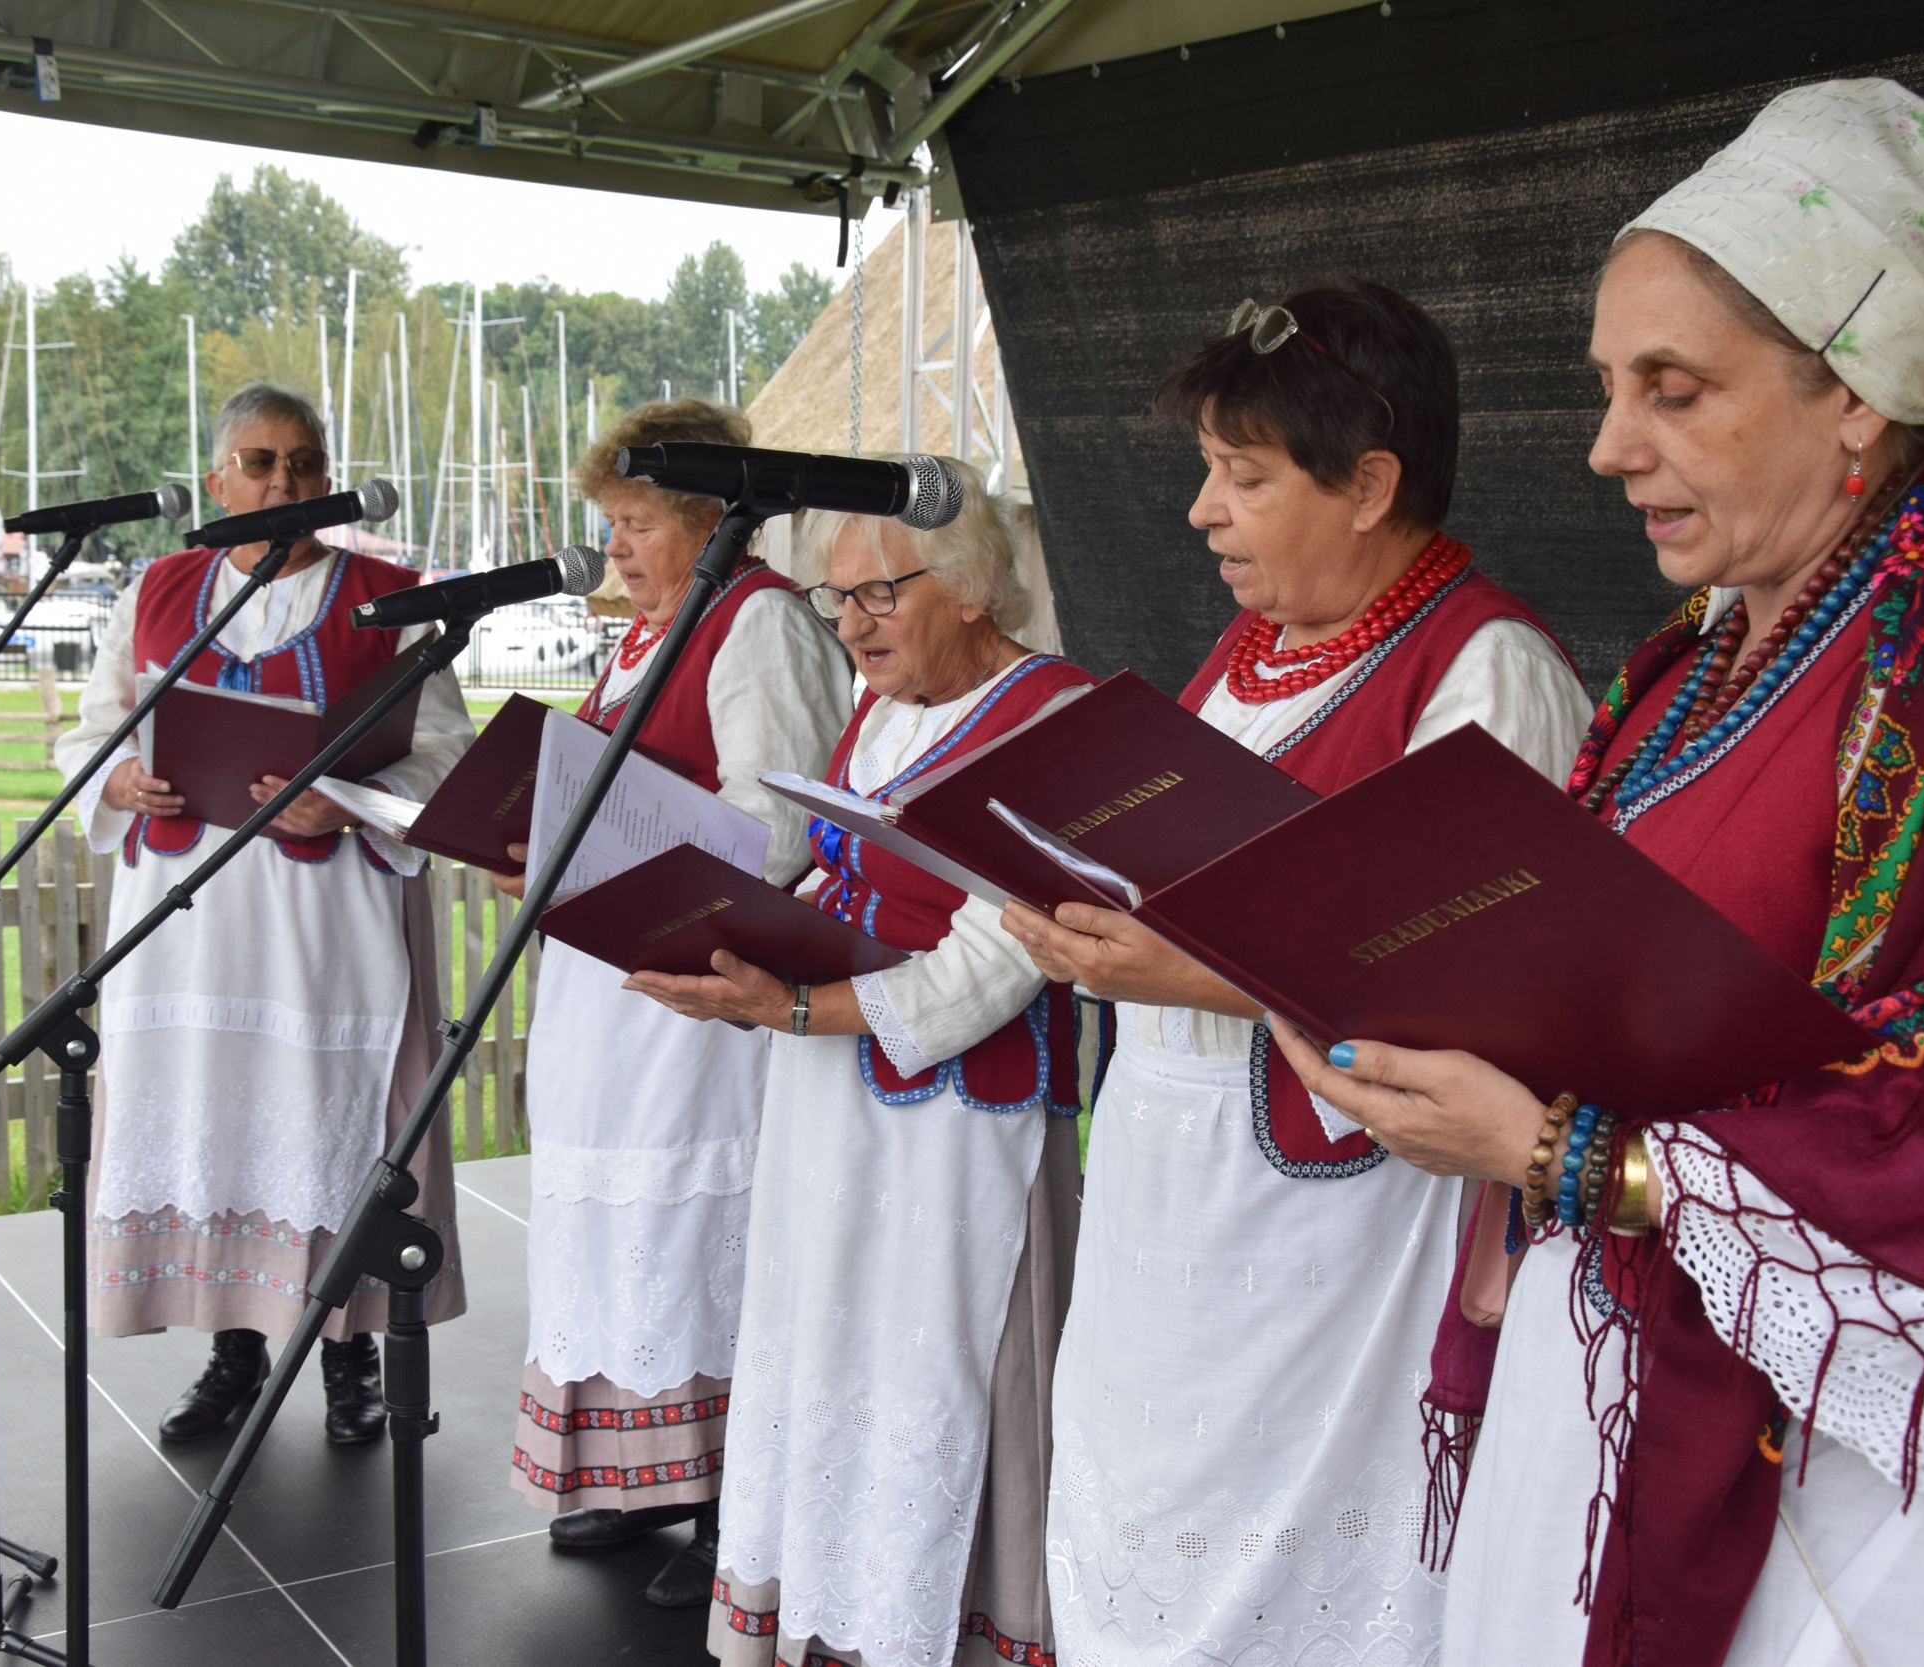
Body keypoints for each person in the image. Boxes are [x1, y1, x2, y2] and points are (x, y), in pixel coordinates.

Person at [1263, 81, 1924, 1667]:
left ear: (1861, 395)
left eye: (1673, 389)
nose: (1614, 447)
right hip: (1619, 1369)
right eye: (1613, 387)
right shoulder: (1697, 656)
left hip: (1855, 1499)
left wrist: (1568, 1151)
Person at [1001, 280, 1592, 1666]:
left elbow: (1470, 995)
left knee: (1304, 1554)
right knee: (1145, 1502)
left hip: (1341, 1235)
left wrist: (1188, 968)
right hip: (1171, 1194)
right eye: (1211, 470)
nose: (1204, 511)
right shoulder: (1249, 652)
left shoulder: (1486, 669)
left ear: (1371, 483)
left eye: (1243, 476)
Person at [625, 469, 1090, 1667]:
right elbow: (826, 868)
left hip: (957, 1130)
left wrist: (792, 997)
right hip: (830, 1099)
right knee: (827, 1346)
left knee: (936, 1373)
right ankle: (834, 1606)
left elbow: (1001, 955)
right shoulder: (878, 708)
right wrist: (726, 936)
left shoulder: (1052, 716)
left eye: (880, 591)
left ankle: (939, 1624)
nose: (854, 624)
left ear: (975, 584)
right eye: (837, 601)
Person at [57, 381, 475, 1444]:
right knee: (214, 1120)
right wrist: (116, 779)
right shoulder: (157, 587)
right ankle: (232, 1349)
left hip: (320, 919)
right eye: (258, 462)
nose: (282, 481)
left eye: (301, 461)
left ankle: (348, 1359)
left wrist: (346, 798)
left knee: (325, 1121)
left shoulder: (390, 597)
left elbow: (445, 755)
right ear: (217, 479)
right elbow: (93, 728)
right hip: (187, 919)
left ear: (327, 477)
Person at [503, 399, 850, 1608]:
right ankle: (646, 1466)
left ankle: (725, 1496)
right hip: (610, 989)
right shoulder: (646, 634)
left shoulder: (759, 624)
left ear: (709, 515)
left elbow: (785, 822)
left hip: (695, 993)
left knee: (701, 1226)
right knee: (619, 1224)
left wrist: (607, 852)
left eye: (638, 523)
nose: (618, 551)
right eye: (612, 526)